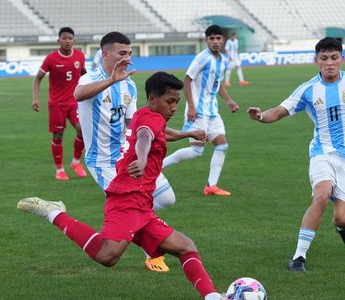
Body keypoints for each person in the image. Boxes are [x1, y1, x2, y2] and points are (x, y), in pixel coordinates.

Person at [17, 71, 228, 300]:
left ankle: (211, 297)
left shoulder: (145, 114)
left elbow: (157, 132)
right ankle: (54, 212)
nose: (174, 107)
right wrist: (141, 156)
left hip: (142, 205)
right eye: (170, 101)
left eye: (177, 102)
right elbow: (145, 137)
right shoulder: (149, 122)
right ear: (152, 99)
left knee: (186, 246)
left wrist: (187, 133)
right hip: (126, 200)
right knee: (107, 256)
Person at [74, 31, 207, 272]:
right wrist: (111, 80)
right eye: (122, 53)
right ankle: (150, 251)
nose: (128, 58)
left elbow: (139, 126)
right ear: (105, 54)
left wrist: (186, 134)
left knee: (166, 198)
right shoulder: (90, 79)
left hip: (127, 157)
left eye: (130, 53)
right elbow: (78, 95)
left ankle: (139, 230)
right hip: (101, 161)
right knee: (131, 209)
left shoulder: (130, 85)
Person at [247, 37, 345, 272]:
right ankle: (298, 257)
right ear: (316, 61)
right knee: (321, 195)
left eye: (334, 58)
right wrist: (260, 116)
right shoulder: (308, 89)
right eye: (324, 58)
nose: (329, 63)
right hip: (322, 153)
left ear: (341, 59)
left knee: (340, 218)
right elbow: (280, 111)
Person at [163, 25, 239, 196]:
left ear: (223, 40)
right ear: (206, 41)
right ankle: (158, 167)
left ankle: (211, 186)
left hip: (212, 111)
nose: (215, 42)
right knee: (197, 150)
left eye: (218, 38)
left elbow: (216, 84)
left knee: (222, 145)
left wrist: (229, 101)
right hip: (198, 110)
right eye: (211, 38)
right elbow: (187, 80)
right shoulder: (202, 58)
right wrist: (191, 106)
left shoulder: (223, 60)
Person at [32, 27, 88, 181]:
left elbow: (84, 75)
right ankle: (59, 169)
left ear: (74, 41)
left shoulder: (79, 56)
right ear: (59, 41)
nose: (68, 41)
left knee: (82, 130)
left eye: (70, 38)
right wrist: (35, 98)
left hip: (75, 102)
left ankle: (76, 162)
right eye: (64, 38)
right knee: (58, 135)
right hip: (57, 103)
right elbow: (37, 78)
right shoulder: (51, 59)